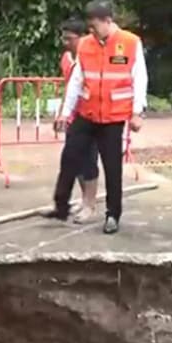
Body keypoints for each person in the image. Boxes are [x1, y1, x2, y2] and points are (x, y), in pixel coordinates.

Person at [46, 0, 148, 235]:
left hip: (113, 118)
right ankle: (61, 206)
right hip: (86, 113)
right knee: (70, 157)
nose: (90, 31)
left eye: (94, 26)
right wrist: (65, 113)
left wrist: (137, 112)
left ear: (108, 21)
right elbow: (76, 81)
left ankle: (113, 215)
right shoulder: (86, 45)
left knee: (112, 167)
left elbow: (140, 79)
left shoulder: (131, 43)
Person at [59, 17, 101, 224]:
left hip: (90, 116)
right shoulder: (67, 59)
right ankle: (84, 200)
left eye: (70, 38)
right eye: (63, 38)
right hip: (73, 117)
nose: (66, 42)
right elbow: (68, 89)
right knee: (74, 161)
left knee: (89, 162)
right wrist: (62, 113)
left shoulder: (92, 57)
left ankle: (90, 205)